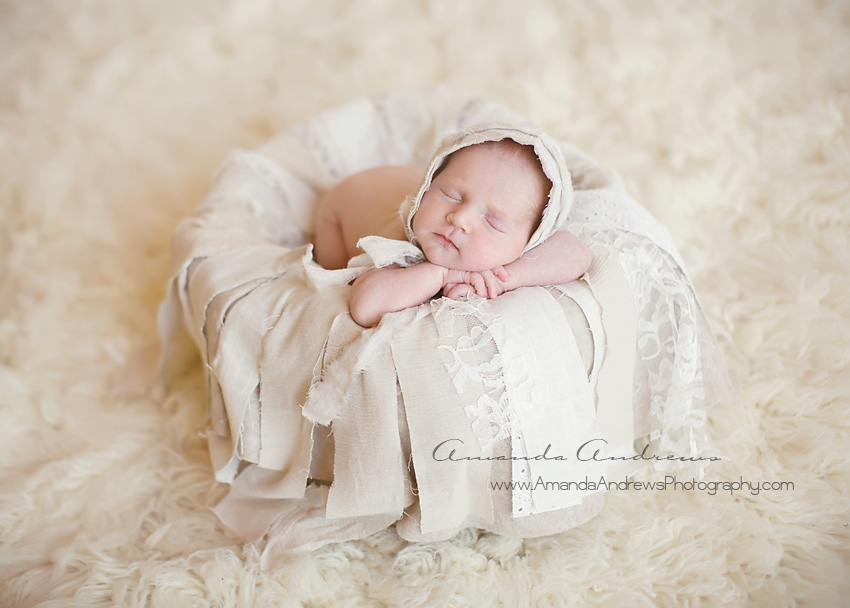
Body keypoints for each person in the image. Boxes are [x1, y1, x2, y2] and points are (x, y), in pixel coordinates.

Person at [314, 139, 592, 327]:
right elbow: (365, 307)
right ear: (427, 188)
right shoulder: (403, 243)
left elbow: (576, 253)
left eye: (493, 221)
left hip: (397, 178)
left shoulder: (516, 248)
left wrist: (505, 278)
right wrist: (445, 273)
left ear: (529, 241)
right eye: (450, 194)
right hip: (342, 206)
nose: (459, 218)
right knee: (332, 276)